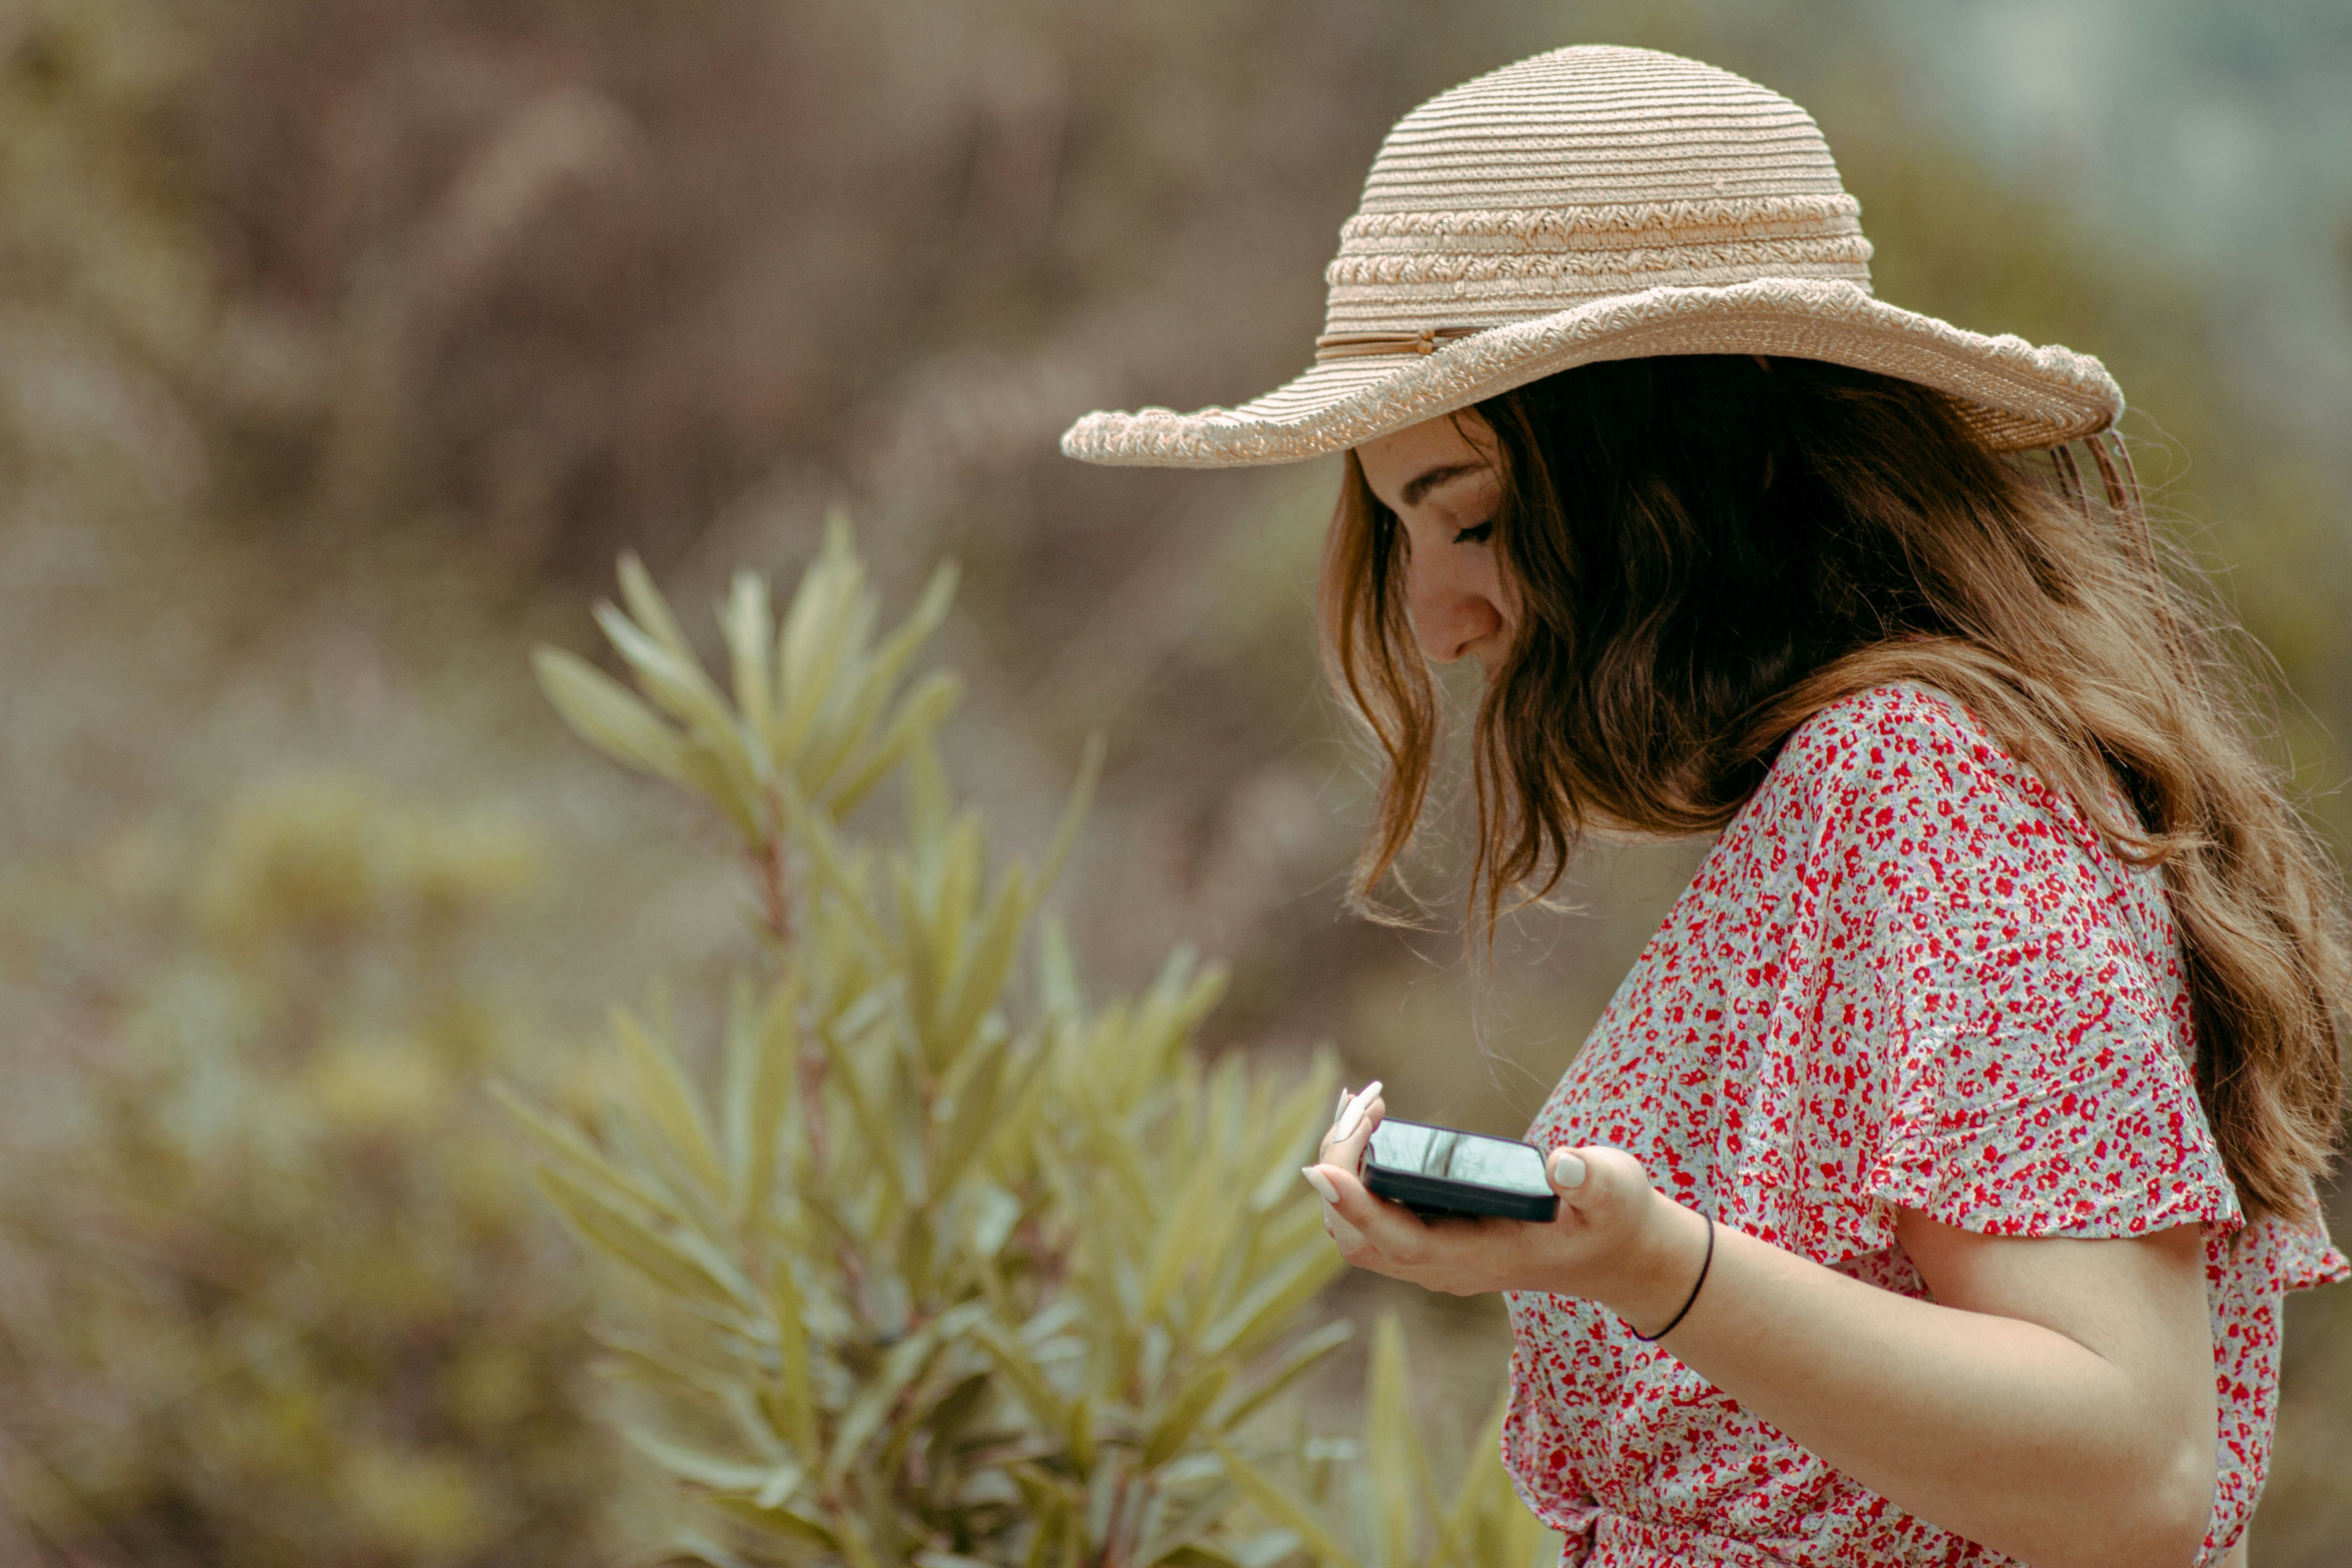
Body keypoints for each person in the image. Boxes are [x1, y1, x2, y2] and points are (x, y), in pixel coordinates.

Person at [1058, 44, 2347, 1568]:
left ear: (1669, 474)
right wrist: (1592, 1256)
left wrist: (1655, 1266)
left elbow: (2132, 1469)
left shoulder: (1926, 782)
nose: (1437, 623)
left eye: (1470, 519)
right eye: (1405, 532)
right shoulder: (1873, 787)